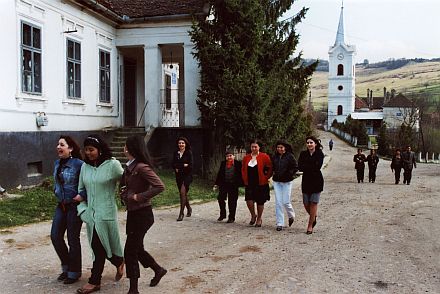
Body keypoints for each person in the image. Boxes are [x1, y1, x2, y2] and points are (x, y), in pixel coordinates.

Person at [76, 135, 125, 294]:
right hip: (91, 215)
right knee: (101, 246)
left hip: (107, 214)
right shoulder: (85, 167)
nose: (88, 153)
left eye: (92, 149)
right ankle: (119, 261)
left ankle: (94, 281)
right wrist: (83, 211)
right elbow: (81, 191)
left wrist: (128, 195)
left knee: (101, 247)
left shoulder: (113, 165)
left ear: (100, 150)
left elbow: (126, 181)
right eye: (86, 150)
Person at [120, 136, 167, 293]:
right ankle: (158, 270)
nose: (123, 148)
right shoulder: (130, 167)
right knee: (137, 248)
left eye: (125, 146)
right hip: (133, 213)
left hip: (142, 214)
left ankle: (133, 290)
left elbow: (160, 186)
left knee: (130, 251)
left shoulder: (141, 167)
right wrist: (125, 193)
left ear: (131, 148)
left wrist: (138, 197)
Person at [51, 135, 84, 284]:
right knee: (55, 236)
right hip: (61, 205)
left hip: (73, 206)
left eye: (62, 145)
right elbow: (57, 182)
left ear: (70, 148)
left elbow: (88, 182)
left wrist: (82, 195)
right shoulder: (57, 163)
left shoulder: (79, 164)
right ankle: (66, 267)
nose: (58, 147)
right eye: (58, 144)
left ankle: (74, 272)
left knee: (72, 239)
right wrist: (56, 191)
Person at [241, 140, 273, 228]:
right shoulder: (246, 158)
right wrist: (244, 178)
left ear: (259, 147)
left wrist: (266, 177)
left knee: (260, 201)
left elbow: (269, 168)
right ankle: (253, 215)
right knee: (249, 200)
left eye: (255, 147)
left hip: (261, 183)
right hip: (249, 182)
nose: (254, 148)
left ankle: (259, 218)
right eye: (252, 147)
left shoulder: (264, 156)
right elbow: (243, 169)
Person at [298, 136, 324, 235]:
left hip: (317, 181)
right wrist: (310, 166)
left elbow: (318, 166)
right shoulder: (303, 154)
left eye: (311, 142)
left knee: (313, 203)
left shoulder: (319, 154)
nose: (309, 144)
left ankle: (310, 225)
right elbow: (300, 166)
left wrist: (307, 166)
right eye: (308, 143)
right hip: (306, 181)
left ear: (315, 144)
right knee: (306, 203)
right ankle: (314, 217)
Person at [272, 140, 298, 231]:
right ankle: (280, 223)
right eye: (278, 147)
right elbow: (271, 166)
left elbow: (295, 167)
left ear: (285, 148)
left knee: (286, 202)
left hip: (287, 182)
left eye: (281, 147)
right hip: (277, 182)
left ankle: (291, 215)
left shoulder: (290, 156)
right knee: (278, 202)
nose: (279, 149)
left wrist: (289, 174)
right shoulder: (275, 156)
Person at [214, 149, 243, 223]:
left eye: (230, 156)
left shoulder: (238, 164)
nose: (229, 157)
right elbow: (220, 174)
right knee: (220, 198)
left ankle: (231, 217)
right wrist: (216, 183)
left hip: (233, 185)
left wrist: (242, 183)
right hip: (224, 184)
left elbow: (241, 174)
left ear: (233, 156)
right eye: (227, 156)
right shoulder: (223, 163)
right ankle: (223, 214)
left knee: (232, 201)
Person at [172, 136, 193, 221]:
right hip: (179, 177)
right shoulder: (176, 153)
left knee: (182, 192)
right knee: (183, 194)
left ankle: (181, 213)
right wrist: (183, 165)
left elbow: (190, 166)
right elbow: (173, 164)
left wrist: (179, 166)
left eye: (183, 143)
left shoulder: (189, 153)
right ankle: (189, 208)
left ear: (185, 144)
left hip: (187, 176)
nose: (181, 144)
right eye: (180, 143)